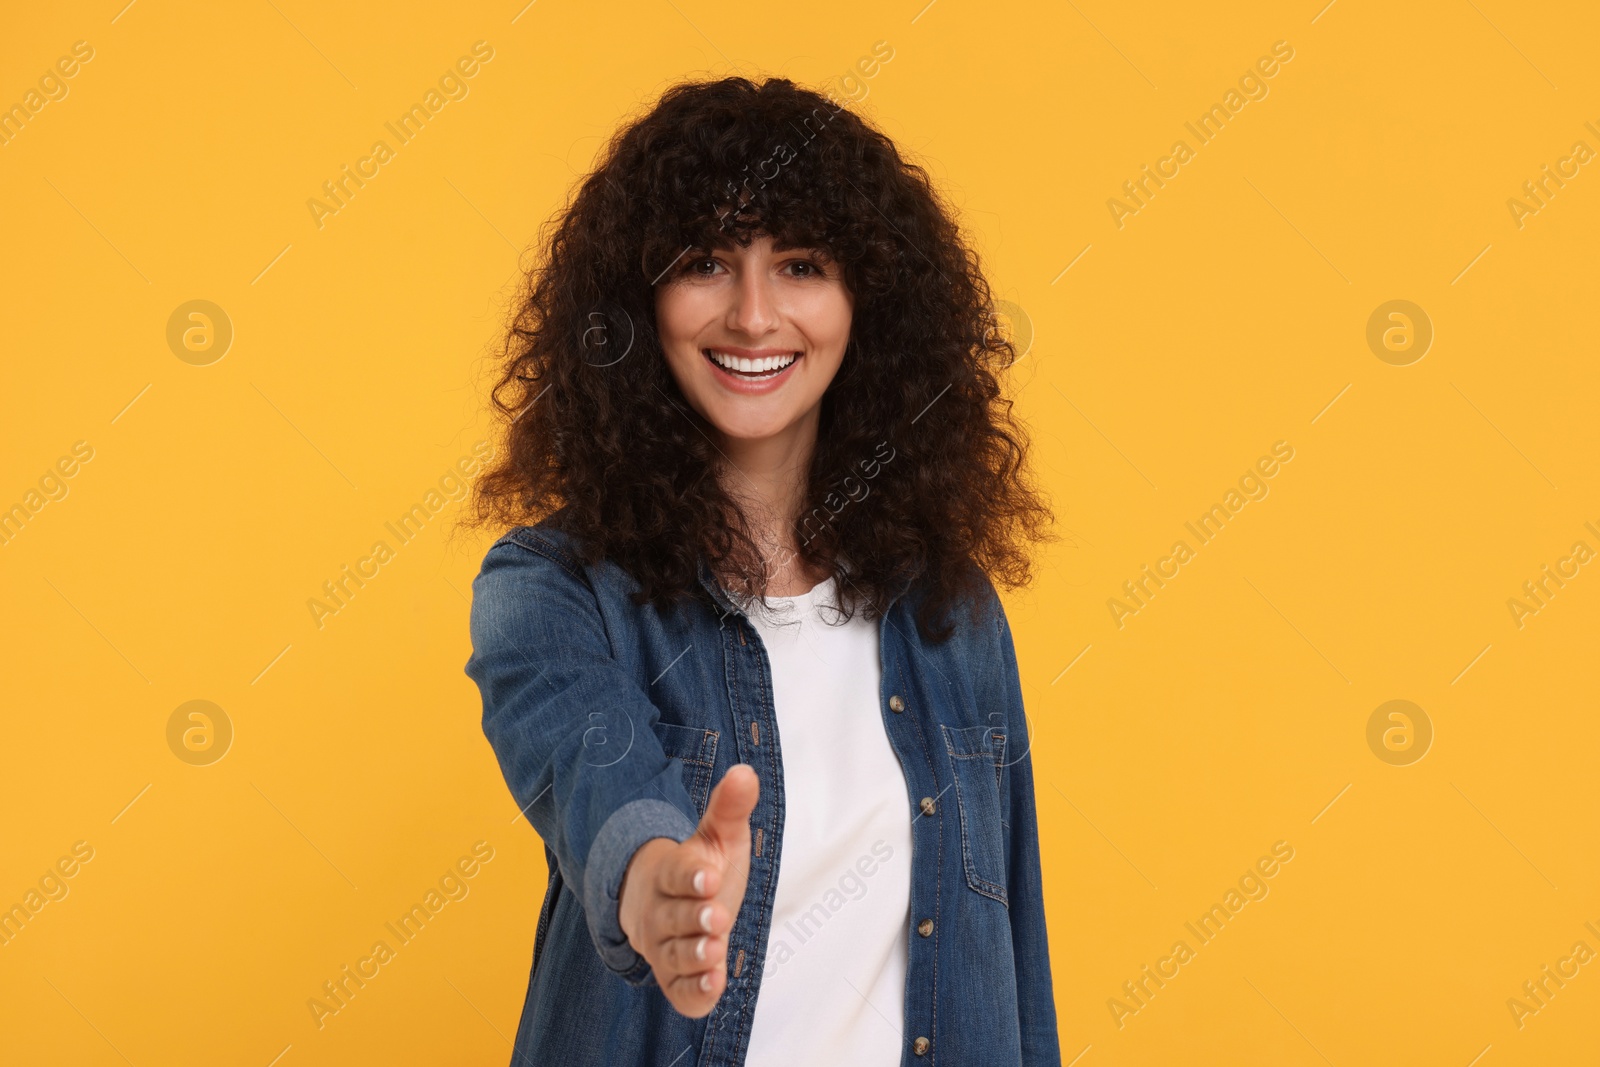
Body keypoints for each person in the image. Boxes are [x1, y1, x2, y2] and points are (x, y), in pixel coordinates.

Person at [462, 74, 1060, 1066]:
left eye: (799, 264)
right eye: (704, 261)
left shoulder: (948, 609)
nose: (751, 314)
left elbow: (1012, 941)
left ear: (865, 300)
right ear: (638, 300)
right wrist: (660, 883)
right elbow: (588, 768)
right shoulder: (552, 586)